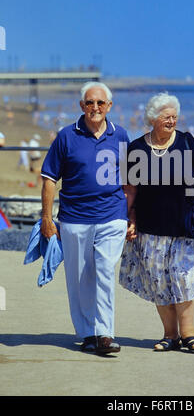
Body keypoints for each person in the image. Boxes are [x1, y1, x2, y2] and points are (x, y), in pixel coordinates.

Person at [119, 92, 194, 352]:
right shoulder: (137, 148)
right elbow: (130, 189)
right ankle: (170, 335)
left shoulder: (186, 141)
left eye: (174, 117)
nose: (171, 121)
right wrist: (128, 218)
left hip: (184, 225)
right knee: (158, 281)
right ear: (153, 119)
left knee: (184, 279)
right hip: (150, 227)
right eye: (166, 117)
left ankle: (189, 333)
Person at [40, 82, 129, 354]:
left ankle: (105, 333)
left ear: (109, 106)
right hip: (74, 218)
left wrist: (134, 215)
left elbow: (131, 181)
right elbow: (49, 179)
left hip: (112, 216)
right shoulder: (66, 136)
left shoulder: (121, 135)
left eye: (100, 103)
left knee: (103, 271)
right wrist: (46, 217)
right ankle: (86, 332)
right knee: (79, 279)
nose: (95, 107)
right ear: (81, 106)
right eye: (90, 102)